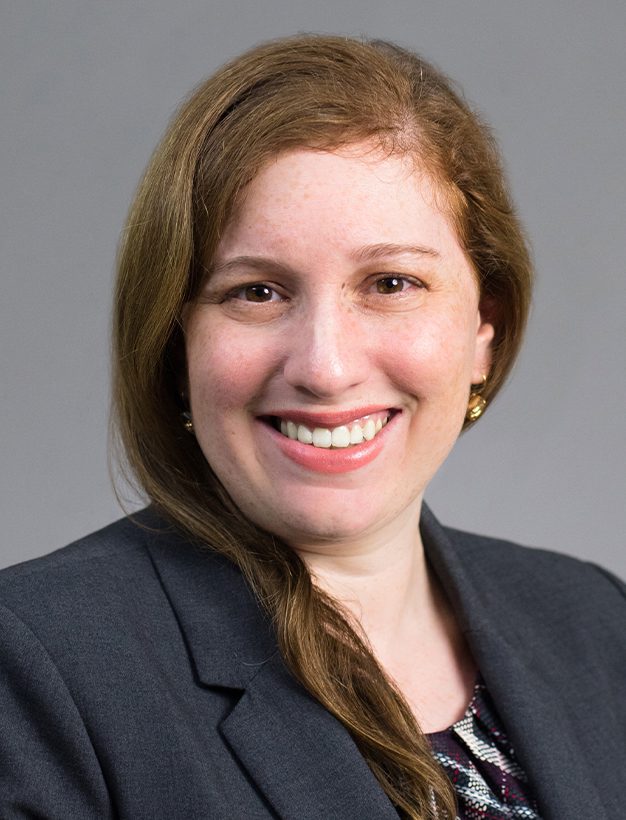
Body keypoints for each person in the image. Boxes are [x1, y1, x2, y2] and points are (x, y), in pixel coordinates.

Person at [0, 35, 623, 820]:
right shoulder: (35, 664)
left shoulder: (596, 621)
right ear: (175, 340)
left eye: (391, 283)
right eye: (256, 292)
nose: (324, 367)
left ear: (481, 330)